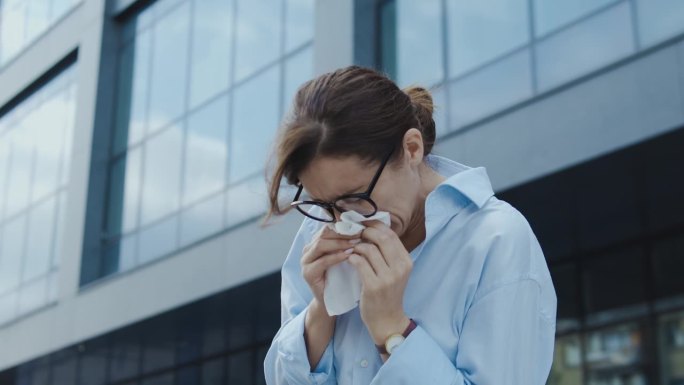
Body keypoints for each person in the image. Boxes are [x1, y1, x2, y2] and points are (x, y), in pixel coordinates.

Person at [261, 65, 557, 384]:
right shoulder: (317, 235)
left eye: (356, 197)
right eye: (323, 204)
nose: (343, 220)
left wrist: (393, 329)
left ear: (412, 149)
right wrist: (321, 312)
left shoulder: (496, 240)